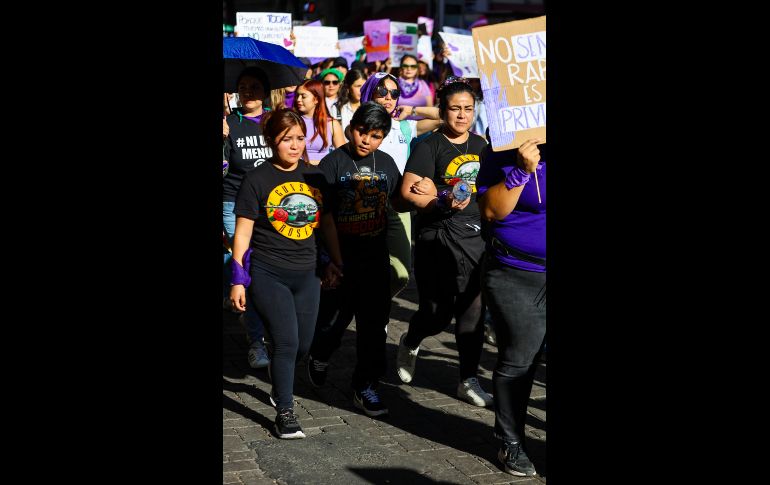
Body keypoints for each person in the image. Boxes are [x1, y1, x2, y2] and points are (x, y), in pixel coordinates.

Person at [230, 109, 343, 439]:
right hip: (268, 273)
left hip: (307, 274)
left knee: (303, 346)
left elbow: (328, 224)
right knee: (287, 341)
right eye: (286, 140)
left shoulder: (315, 176)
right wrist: (239, 278)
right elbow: (242, 234)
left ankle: (278, 381)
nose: (295, 146)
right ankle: (285, 411)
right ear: (271, 142)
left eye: (299, 138)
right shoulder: (257, 179)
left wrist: (336, 262)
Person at [396, 76, 493, 408]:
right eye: (455, 109)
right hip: (436, 237)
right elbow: (408, 191)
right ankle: (411, 340)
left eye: (468, 108)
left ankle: (467, 380)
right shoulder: (428, 145)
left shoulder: (482, 145)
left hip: (475, 237)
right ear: (443, 110)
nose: (462, 115)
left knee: (472, 310)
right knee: (436, 314)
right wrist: (441, 200)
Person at [306, 102, 408, 416]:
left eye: (375, 135)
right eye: (362, 131)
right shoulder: (332, 164)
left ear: (383, 137)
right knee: (332, 325)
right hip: (340, 262)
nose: (366, 139)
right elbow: (319, 219)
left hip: (375, 260)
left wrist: (422, 195)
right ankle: (319, 355)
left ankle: (365, 385)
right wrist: (326, 263)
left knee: (374, 328)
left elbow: (396, 206)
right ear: (352, 128)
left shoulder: (387, 164)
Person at [476, 139, 545, 477]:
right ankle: (510, 441)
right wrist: (521, 172)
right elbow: (490, 210)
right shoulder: (507, 148)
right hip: (517, 273)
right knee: (520, 360)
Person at [358, 72, 442, 298]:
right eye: (382, 91)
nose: (389, 98)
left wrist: (414, 110)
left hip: (397, 205)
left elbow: (444, 116)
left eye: (394, 93)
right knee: (364, 267)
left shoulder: (405, 127)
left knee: (402, 273)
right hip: (363, 205)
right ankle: (372, 317)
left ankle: (375, 304)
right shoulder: (357, 127)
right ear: (369, 93)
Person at [223, 67, 273, 369]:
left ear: (265, 91)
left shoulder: (275, 121)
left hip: (270, 206)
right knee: (248, 269)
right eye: (243, 86)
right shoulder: (229, 123)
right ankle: (256, 341)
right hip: (233, 205)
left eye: (255, 86)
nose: (248, 91)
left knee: (265, 268)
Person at [293, 80, 346, 165]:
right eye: (297, 96)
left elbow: (342, 156)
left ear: (316, 99)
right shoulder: (292, 121)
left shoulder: (332, 124)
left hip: (323, 171)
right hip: (298, 171)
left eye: (303, 96)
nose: (298, 99)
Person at [396, 54, 433, 120]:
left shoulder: (423, 84)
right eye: (405, 66)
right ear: (401, 67)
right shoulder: (394, 84)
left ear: (417, 68)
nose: (409, 69)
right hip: (398, 125)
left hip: (421, 126)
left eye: (413, 66)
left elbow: (430, 108)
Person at [338, 68, 367, 134]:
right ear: (348, 88)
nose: (362, 90)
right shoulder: (338, 108)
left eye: (364, 86)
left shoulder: (371, 108)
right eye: (358, 86)